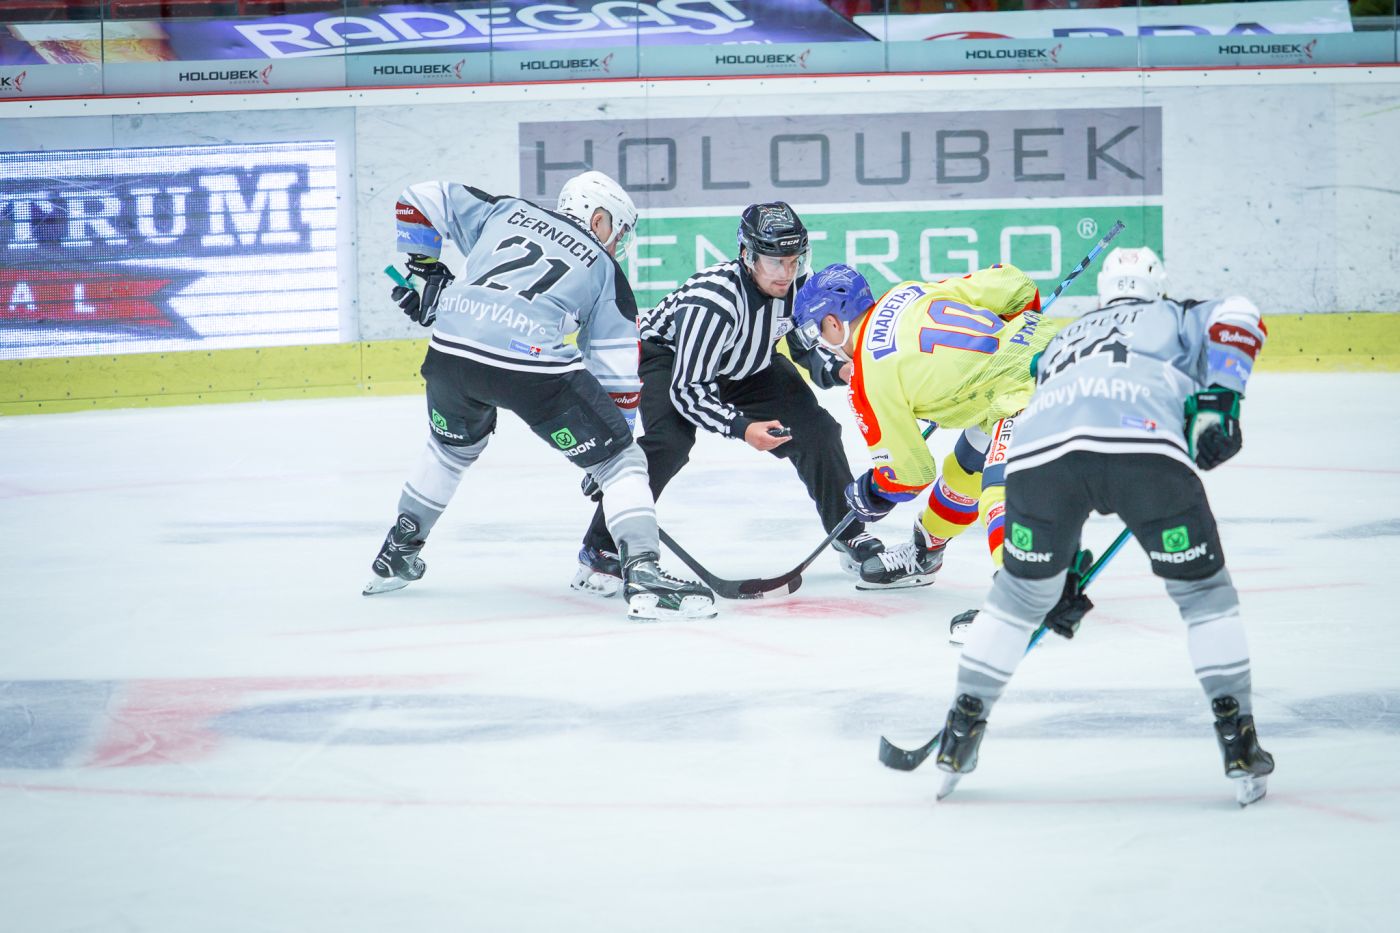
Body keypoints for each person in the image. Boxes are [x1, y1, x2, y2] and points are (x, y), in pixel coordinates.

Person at [929, 246, 1276, 806]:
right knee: (1204, 596)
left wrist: (1059, 567)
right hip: (1142, 451)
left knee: (1018, 598)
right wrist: (1221, 400)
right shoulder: (1175, 315)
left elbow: (1065, 402)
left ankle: (960, 730)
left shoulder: (1064, 338)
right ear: (1157, 289)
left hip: (1038, 461)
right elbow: (1240, 313)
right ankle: (1238, 741)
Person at [363, 170, 715, 621]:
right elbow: (617, 373)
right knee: (623, 461)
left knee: (449, 451)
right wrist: (607, 454)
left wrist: (425, 269)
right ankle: (644, 572)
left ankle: (399, 549)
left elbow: (419, 196)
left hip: (449, 352)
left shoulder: (505, 211)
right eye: (619, 232)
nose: (617, 246)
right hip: (527, 364)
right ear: (599, 218)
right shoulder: (603, 268)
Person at [571, 202, 885, 596]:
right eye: (775, 262)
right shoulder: (714, 301)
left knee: (818, 430)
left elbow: (804, 345)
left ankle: (848, 531)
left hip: (748, 365)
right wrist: (742, 427)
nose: (787, 273)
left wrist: (841, 369)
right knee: (670, 443)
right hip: (668, 360)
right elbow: (689, 389)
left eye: (794, 261)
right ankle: (599, 547)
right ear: (747, 256)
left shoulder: (796, 286)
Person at [793, 261, 1058, 590]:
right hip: (1061, 347)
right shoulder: (907, 292)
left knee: (1000, 489)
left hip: (1031, 390)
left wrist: (871, 493)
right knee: (967, 468)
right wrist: (1010, 346)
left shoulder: (868, 379)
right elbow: (1016, 284)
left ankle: (1025, 597)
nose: (820, 342)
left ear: (834, 323)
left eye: (815, 332)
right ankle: (925, 551)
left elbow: (908, 476)